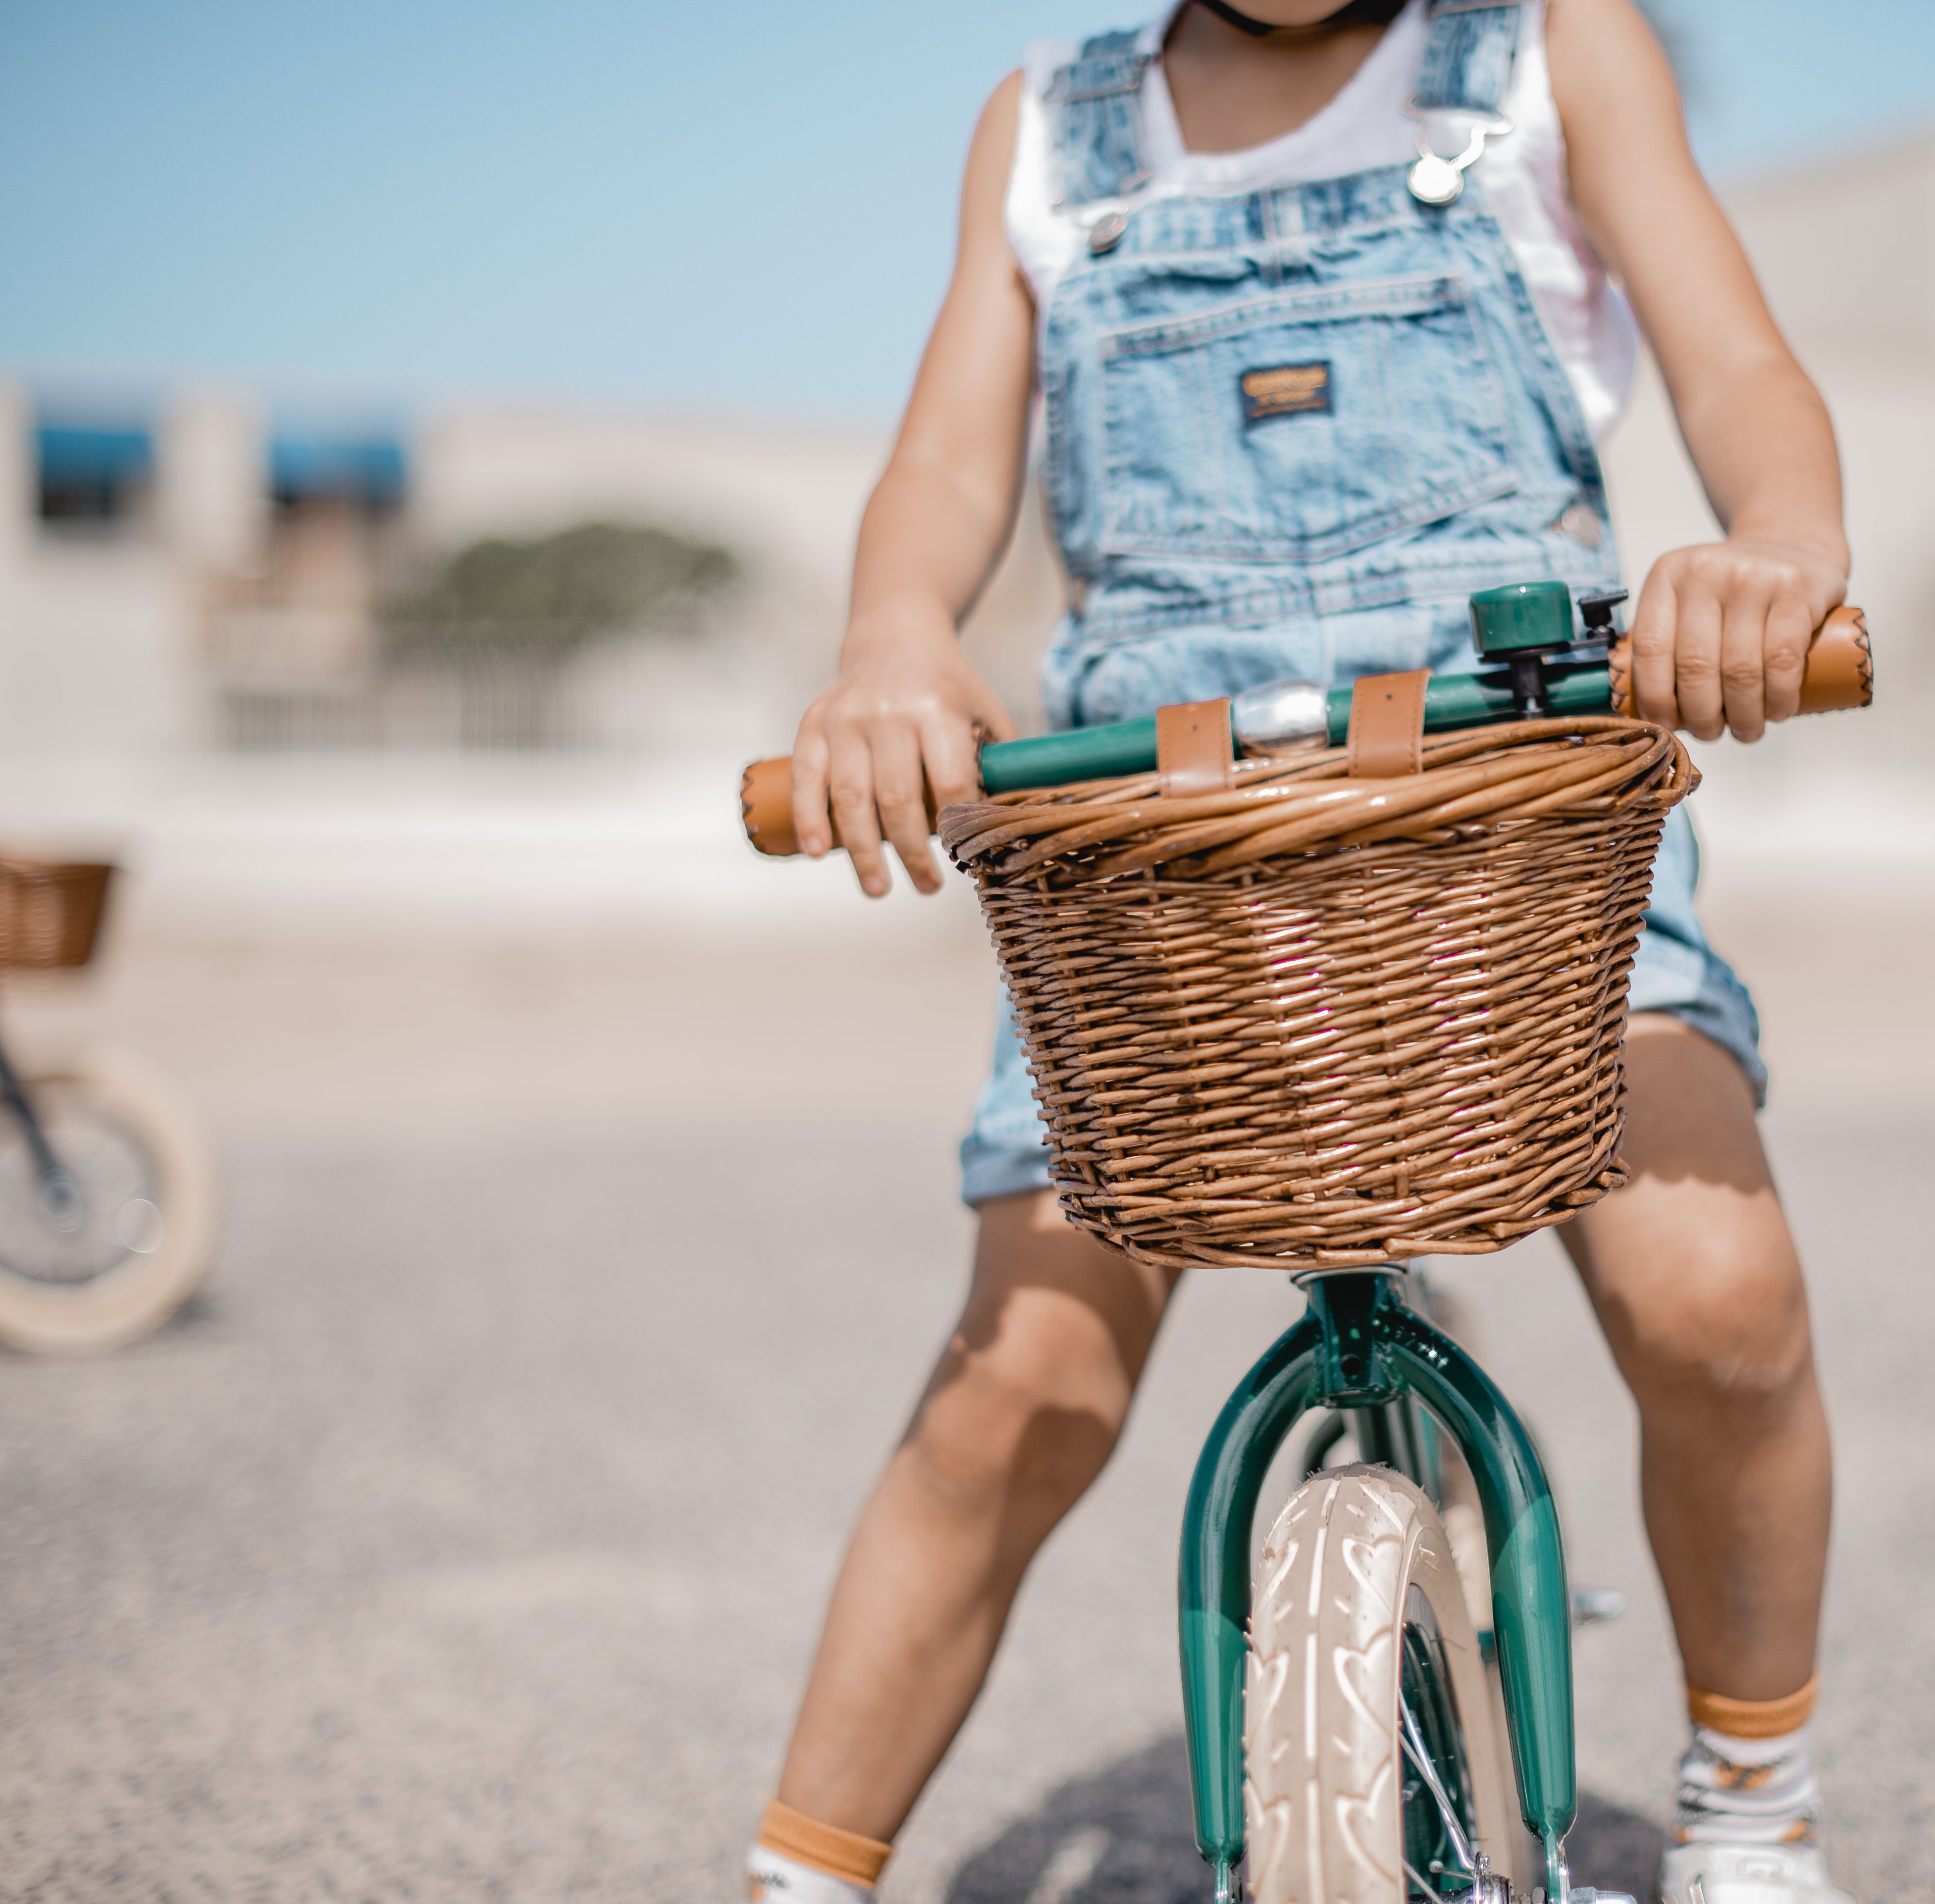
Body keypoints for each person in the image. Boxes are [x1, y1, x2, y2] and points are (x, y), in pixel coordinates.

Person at [763, 2, 1856, 1900]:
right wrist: (893, 641)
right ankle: (802, 1869)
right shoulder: (1051, 132)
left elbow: (1738, 358)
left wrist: (1773, 535)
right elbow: (945, 471)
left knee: (1714, 1297)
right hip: (1167, 863)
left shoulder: (1547, 54)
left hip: (1512, 809)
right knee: (1018, 1385)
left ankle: (1755, 1801)